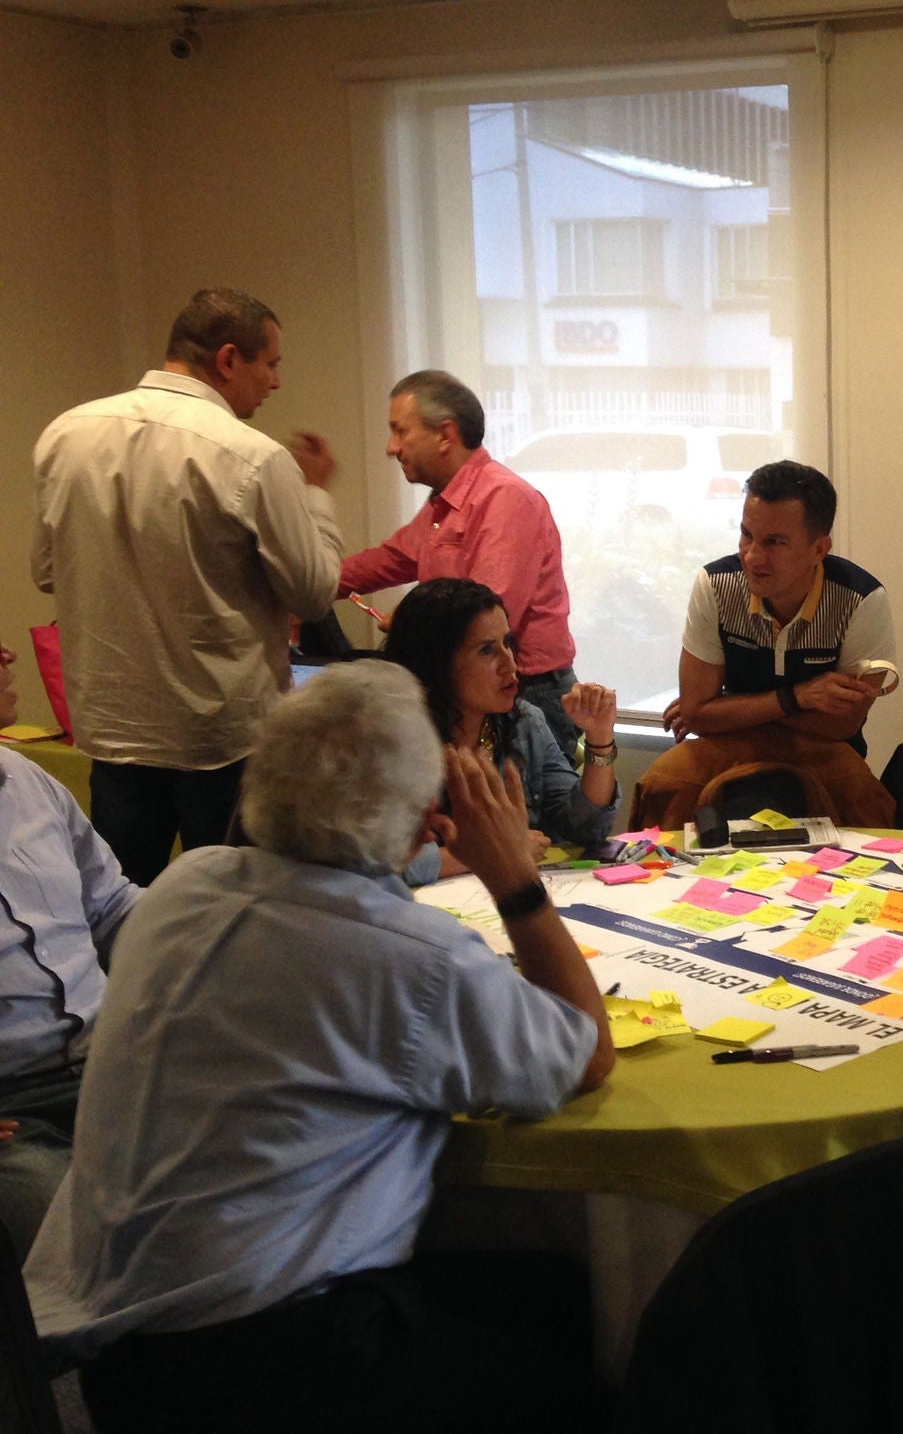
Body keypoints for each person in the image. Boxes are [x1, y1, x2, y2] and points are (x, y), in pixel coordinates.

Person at [24, 661, 616, 1434]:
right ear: (418, 820)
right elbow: (585, 1052)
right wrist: (512, 878)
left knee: (542, 1292)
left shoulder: (181, 886)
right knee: (594, 1382)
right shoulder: (412, 957)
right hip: (274, 1359)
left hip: (119, 1355)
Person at [31, 287, 341, 884]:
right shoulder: (253, 457)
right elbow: (313, 593)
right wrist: (314, 498)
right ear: (228, 359)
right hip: (221, 740)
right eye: (270, 363)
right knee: (232, 918)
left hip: (113, 729)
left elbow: (47, 573)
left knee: (121, 913)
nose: (275, 382)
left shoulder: (64, 435)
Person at [639, 461, 898, 827]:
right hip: (728, 744)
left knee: (862, 795)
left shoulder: (861, 599)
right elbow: (697, 715)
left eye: (775, 542)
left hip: (824, 750)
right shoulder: (715, 585)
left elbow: (841, 725)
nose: (752, 556)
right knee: (666, 781)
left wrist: (726, 708)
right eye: (747, 535)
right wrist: (799, 697)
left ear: (819, 549)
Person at [339, 370, 581, 758]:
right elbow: (386, 561)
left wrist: (410, 621)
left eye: (401, 431)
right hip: (472, 689)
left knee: (528, 818)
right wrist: (304, 580)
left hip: (523, 692)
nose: (391, 447)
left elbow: (489, 612)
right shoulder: (443, 504)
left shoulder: (505, 497)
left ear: (445, 435)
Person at [0, 639, 140, 1259]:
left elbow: (112, 907)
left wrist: (214, 946)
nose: (8, 655)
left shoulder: (26, 779)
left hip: (110, 1062)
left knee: (247, 1170)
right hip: (12, 1109)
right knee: (81, 1257)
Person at [383, 578, 618, 885]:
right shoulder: (391, 737)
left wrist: (600, 738)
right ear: (436, 663)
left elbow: (585, 828)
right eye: (486, 651)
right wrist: (491, 852)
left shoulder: (524, 723)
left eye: (507, 643)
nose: (510, 664)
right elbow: (375, 862)